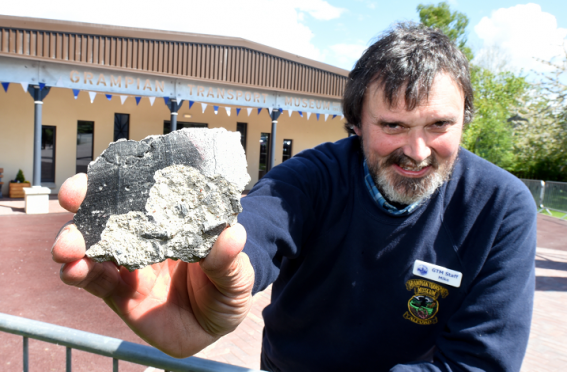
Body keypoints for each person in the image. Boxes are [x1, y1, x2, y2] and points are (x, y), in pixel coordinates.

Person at [52, 23, 536, 371]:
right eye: (393, 126)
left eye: (439, 125)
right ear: (356, 125)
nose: (417, 150)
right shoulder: (311, 177)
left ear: (464, 119)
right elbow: (261, 222)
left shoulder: (502, 208)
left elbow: (480, 363)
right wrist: (224, 274)